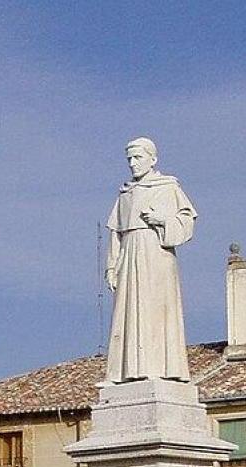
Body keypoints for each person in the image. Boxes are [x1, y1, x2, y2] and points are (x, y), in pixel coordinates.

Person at [103, 137, 196, 383]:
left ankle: (161, 369)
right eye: (129, 159)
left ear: (152, 159)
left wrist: (162, 220)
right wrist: (111, 267)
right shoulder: (125, 194)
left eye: (138, 158)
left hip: (157, 254)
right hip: (129, 257)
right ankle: (127, 371)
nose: (132, 163)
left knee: (157, 311)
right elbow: (116, 234)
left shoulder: (168, 187)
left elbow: (187, 222)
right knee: (127, 312)